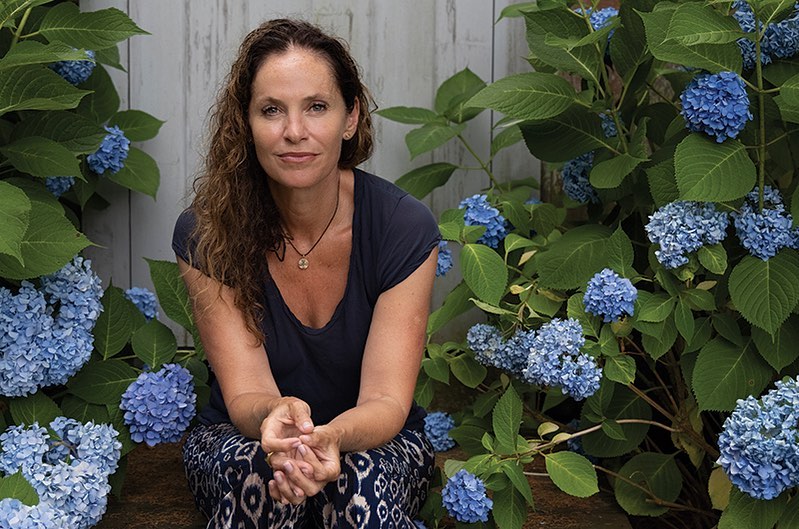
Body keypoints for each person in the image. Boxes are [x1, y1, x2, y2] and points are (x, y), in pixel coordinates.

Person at [172, 18, 440, 529]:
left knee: (355, 488)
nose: (294, 131)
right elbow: (245, 392)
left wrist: (331, 437)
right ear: (246, 123)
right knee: (265, 481)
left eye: (316, 106)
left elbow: (385, 400)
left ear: (350, 117)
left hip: (377, 441)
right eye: (271, 110)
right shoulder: (208, 232)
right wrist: (276, 420)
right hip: (244, 436)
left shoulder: (401, 227)